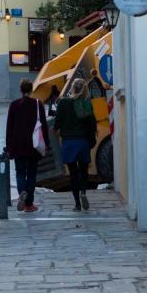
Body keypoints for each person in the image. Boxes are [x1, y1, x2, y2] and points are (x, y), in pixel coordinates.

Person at [6, 79, 49, 213]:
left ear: (21, 90)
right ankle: (29, 204)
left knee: (20, 173)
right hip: (34, 146)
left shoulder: (14, 105)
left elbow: (9, 127)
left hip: (18, 145)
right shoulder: (37, 104)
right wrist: (46, 144)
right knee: (31, 174)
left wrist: (9, 146)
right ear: (31, 90)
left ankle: (22, 193)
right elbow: (44, 126)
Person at [54, 78, 96, 212]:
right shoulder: (86, 103)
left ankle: (77, 204)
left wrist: (55, 129)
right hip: (83, 141)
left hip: (69, 142)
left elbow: (58, 122)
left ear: (72, 88)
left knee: (73, 174)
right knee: (83, 171)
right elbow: (92, 124)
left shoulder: (63, 102)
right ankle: (83, 192)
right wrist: (91, 141)